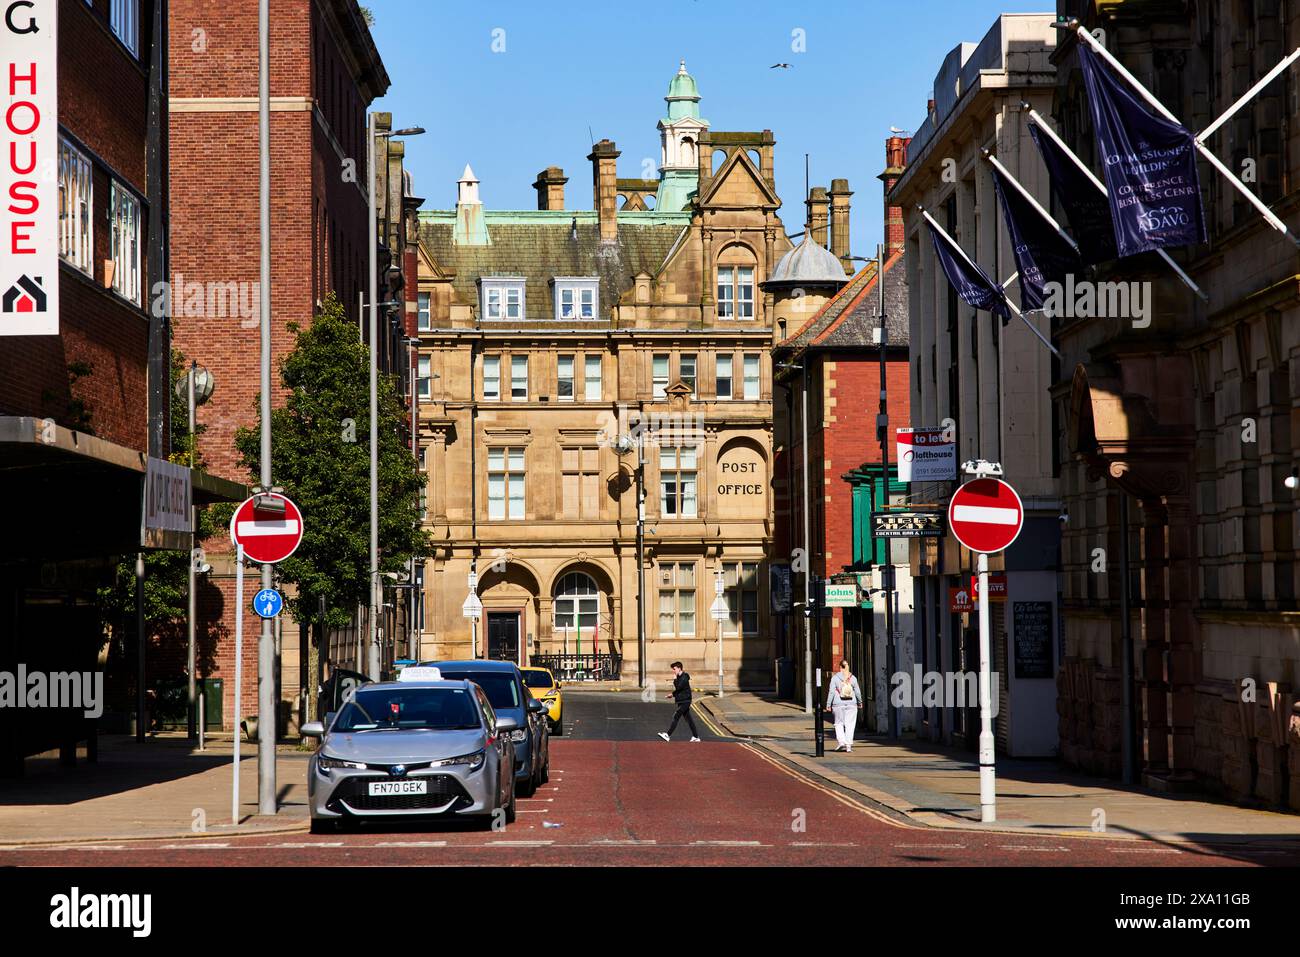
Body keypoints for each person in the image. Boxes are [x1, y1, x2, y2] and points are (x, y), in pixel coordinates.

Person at [657, 661, 701, 742]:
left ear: (679, 668)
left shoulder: (684, 677)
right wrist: (672, 694)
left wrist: (675, 680)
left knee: (676, 716)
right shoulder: (680, 677)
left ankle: (668, 735)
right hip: (682, 700)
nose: (673, 671)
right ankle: (696, 737)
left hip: (685, 701)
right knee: (689, 719)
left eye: (674, 669)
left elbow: (679, 687)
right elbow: (680, 690)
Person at [826, 659, 863, 752]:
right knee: (850, 725)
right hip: (852, 704)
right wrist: (860, 702)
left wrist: (828, 704)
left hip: (838, 704)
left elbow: (831, 692)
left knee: (838, 723)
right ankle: (848, 746)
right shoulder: (853, 678)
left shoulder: (835, 678)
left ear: (840, 667)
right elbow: (857, 692)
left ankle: (841, 742)